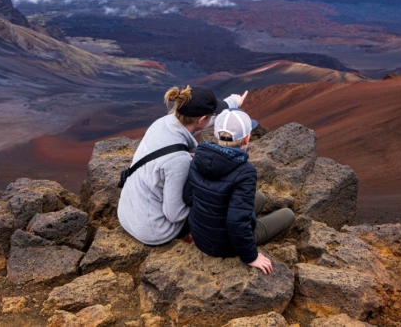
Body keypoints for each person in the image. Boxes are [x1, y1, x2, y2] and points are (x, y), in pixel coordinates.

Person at [117, 85, 245, 246]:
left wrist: (232, 102)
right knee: (217, 201)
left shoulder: (162, 123)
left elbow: (198, 124)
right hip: (153, 230)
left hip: (127, 213)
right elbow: (175, 215)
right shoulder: (179, 161)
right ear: (201, 119)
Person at [182, 107, 296, 274]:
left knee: (261, 197)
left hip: (200, 237)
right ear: (247, 138)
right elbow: (236, 223)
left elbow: (188, 197)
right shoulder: (244, 171)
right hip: (224, 246)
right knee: (288, 214)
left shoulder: (199, 156)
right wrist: (251, 257)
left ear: (215, 135)